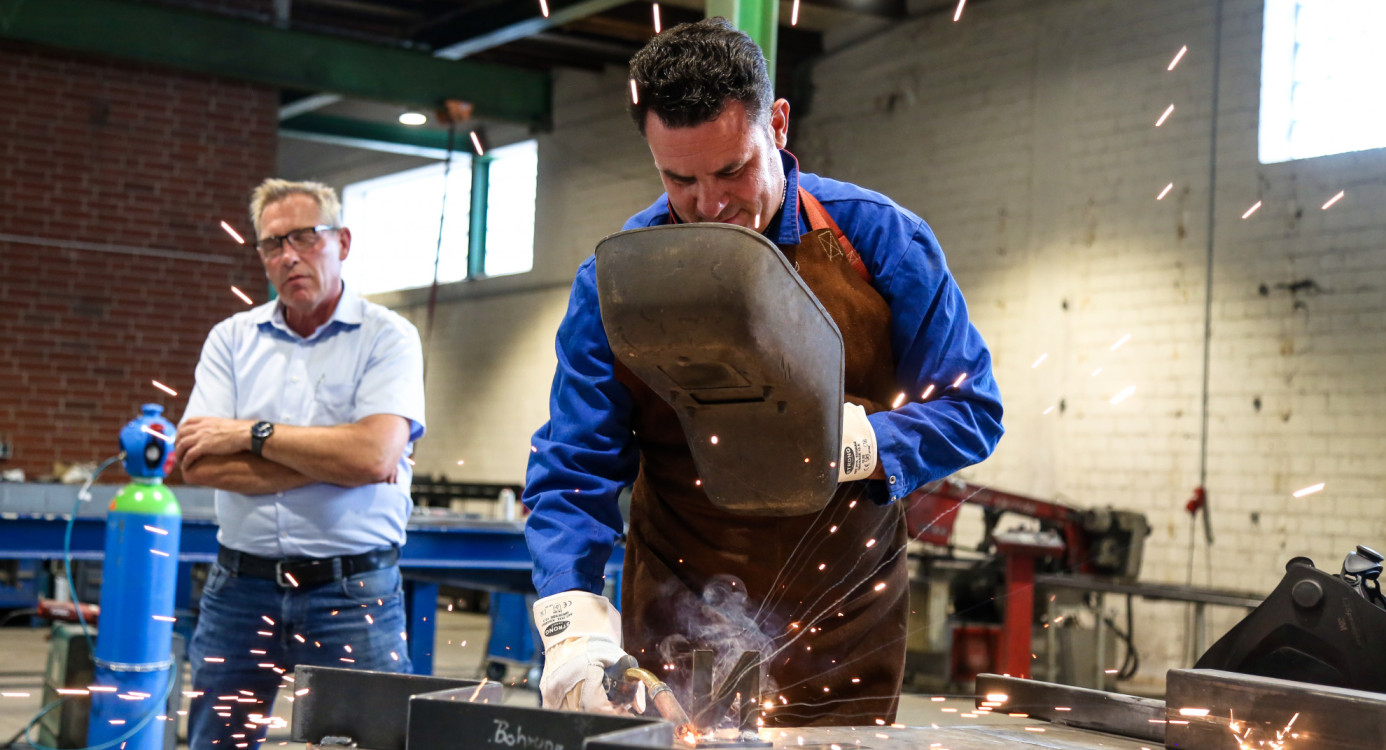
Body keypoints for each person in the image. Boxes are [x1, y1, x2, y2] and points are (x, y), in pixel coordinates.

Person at [523, 18, 1003, 726]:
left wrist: (856, 444)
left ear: (776, 124)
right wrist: (574, 629)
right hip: (674, 621)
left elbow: (972, 410)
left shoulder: (882, 242)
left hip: (842, 626)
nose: (709, 204)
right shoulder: (617, 283)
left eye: (731, 170)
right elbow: (573, 471)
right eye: (678, 178)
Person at [173, 179, 425, 749]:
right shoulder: (231, 340)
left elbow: (375, 454)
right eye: (272, 244)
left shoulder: (388, 339)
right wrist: (344, 458)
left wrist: (250, 433)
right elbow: (197, 464)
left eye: (306, 238)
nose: (289, 255)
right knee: (217, 742)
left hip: (353, 590)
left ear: (342, 242)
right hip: (240, 591)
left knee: (373, 741)